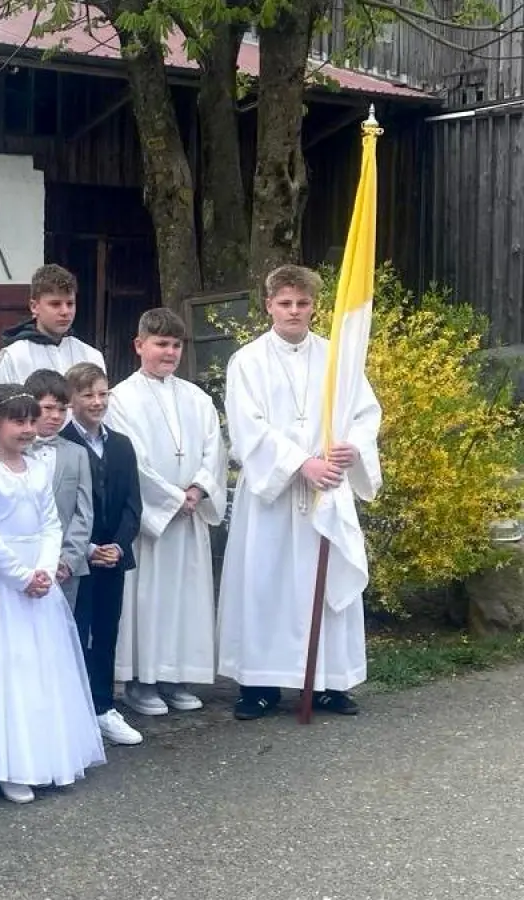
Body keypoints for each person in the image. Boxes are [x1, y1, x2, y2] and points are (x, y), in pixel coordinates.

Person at [219, 266, 382, 720]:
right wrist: (300, 463)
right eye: (285, 303)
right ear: (268, 306)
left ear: (314, 307)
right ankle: (260, 685)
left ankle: (330, 682)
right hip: (273, 495)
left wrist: (353, 447)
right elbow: (247, 426)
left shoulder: (337, 358)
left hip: (326, 489)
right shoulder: (247, 361)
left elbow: (365, 413)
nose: (294, 311)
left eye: (302, 303)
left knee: (322, 586)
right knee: (265, 584)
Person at [0, 384, 105, 804]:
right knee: (5, 667)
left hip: (40, 579)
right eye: (17, 421)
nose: (27, 429)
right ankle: (6, 763)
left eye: (30, 421)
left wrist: (45, 568)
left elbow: (51, 523)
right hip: (2, 581)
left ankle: (45, 755)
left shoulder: (37, 469)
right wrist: (22, 576)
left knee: (42, 667)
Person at [106, 309, 228, 718]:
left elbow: (214, 450)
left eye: (176, 345)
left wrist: (198, 489)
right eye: (161, 344)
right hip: (152, 524)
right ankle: (142, 681)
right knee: (148, 599)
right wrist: (172, 498)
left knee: (185, 599)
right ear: (139, 345)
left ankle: (177, 677)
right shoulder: (121, 399)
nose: (170, 352)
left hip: (188, 518)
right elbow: (131, 459)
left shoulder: (197, 398)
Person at [59, 363, 144, 746]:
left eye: (102, 393)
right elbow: (64, 507)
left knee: (108, 631)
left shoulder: (121, 445)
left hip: (114, 556)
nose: (97, 402)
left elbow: (132, 504)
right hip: (80, 559)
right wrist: (89, 548)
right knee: (78, 633)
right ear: (71, 400)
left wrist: (118, 545)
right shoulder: (62, 445)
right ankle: (76, 710)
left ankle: (104, 706)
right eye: (88, 394)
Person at [24, 370, 94, 607]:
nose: (56, 416)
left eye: (63, 409)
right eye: (48, 408)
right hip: (22, 561)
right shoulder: (14, 451)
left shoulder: (78, 454)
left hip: (64, 566)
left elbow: (84, 512)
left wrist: (68, 560)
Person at [0, 264, 105, 390]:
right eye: (55, 304)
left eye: (70, 304)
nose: (65, 311)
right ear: (34, 307)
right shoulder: (15, 357)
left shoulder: (90, 356)